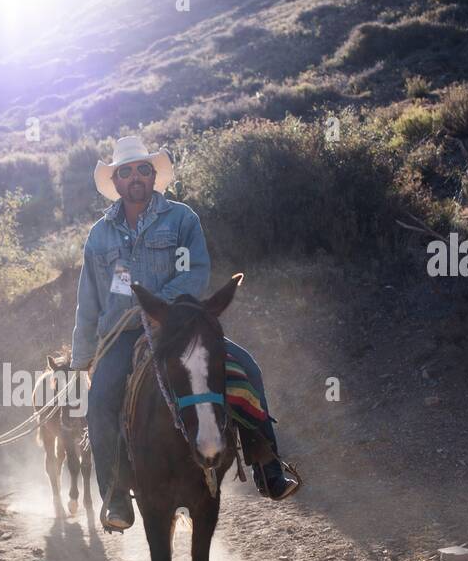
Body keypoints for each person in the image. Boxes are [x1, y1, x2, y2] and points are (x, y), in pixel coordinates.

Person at [69, 135, 298, 532]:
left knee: (245, 370)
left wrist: (156, 305)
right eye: (126, 171)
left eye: (143, 168)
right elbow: (88, 300)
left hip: (178, 324)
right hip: (121, 334)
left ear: (154, 175)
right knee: (101, 399)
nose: (136, 176)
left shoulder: (182, 219)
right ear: (117, 182)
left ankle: (268, 466)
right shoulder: (99, 236)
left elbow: (195, 273)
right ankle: (115, 496)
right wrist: (82, 357)